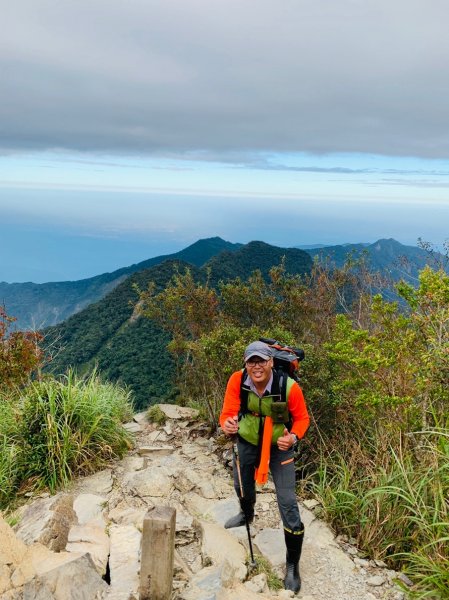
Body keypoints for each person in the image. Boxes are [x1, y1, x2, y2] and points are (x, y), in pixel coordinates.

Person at [219, 340, 310, 593]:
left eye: (261, 360)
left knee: (287, 501)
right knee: (242, 485)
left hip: (280, 447)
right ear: (245, 364)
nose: (256, 366)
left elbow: (302, 419)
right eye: (251, 361)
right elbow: (227, 412)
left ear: (271, 362)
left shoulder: (287, 387)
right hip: (248, 441)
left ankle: (292, 565)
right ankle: (247, 514)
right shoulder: (237, 381)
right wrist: (227, 423)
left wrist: (293, 437)